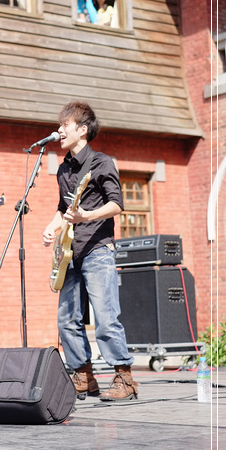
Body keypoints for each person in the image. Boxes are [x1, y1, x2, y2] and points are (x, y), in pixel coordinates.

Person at [42, 102, 138, 401]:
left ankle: (124, 377)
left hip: (97, 249)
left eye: (65, 126)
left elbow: (117, 205)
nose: (59, 131)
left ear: (82, 130)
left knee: (106, 318)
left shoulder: (102, 162)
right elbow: (63, 209)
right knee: (67, 319)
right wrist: (51, 227)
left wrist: (86, 216)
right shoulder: (63, 168)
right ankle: (83, 375)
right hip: (69, 252)